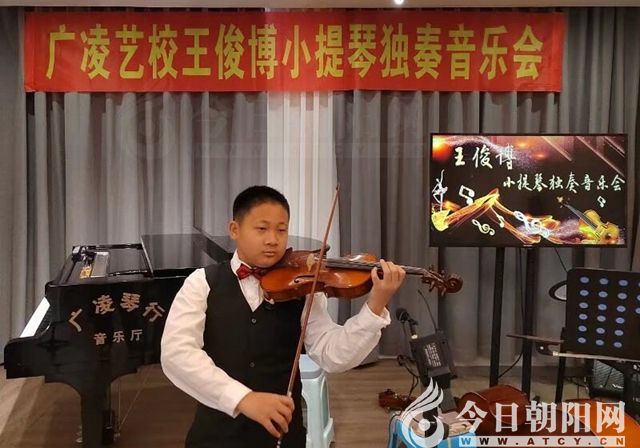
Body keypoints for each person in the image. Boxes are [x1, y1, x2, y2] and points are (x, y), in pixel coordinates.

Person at [161, 185, 406, 448]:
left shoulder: (304, 289)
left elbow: (332, 355)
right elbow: (177, 353)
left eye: (281, 230)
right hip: (214, 435)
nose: (273, 240)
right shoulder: (201, 283)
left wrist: (375, 305)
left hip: (282, 436)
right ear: (234, 229)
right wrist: (242, 398)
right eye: (262, 228)